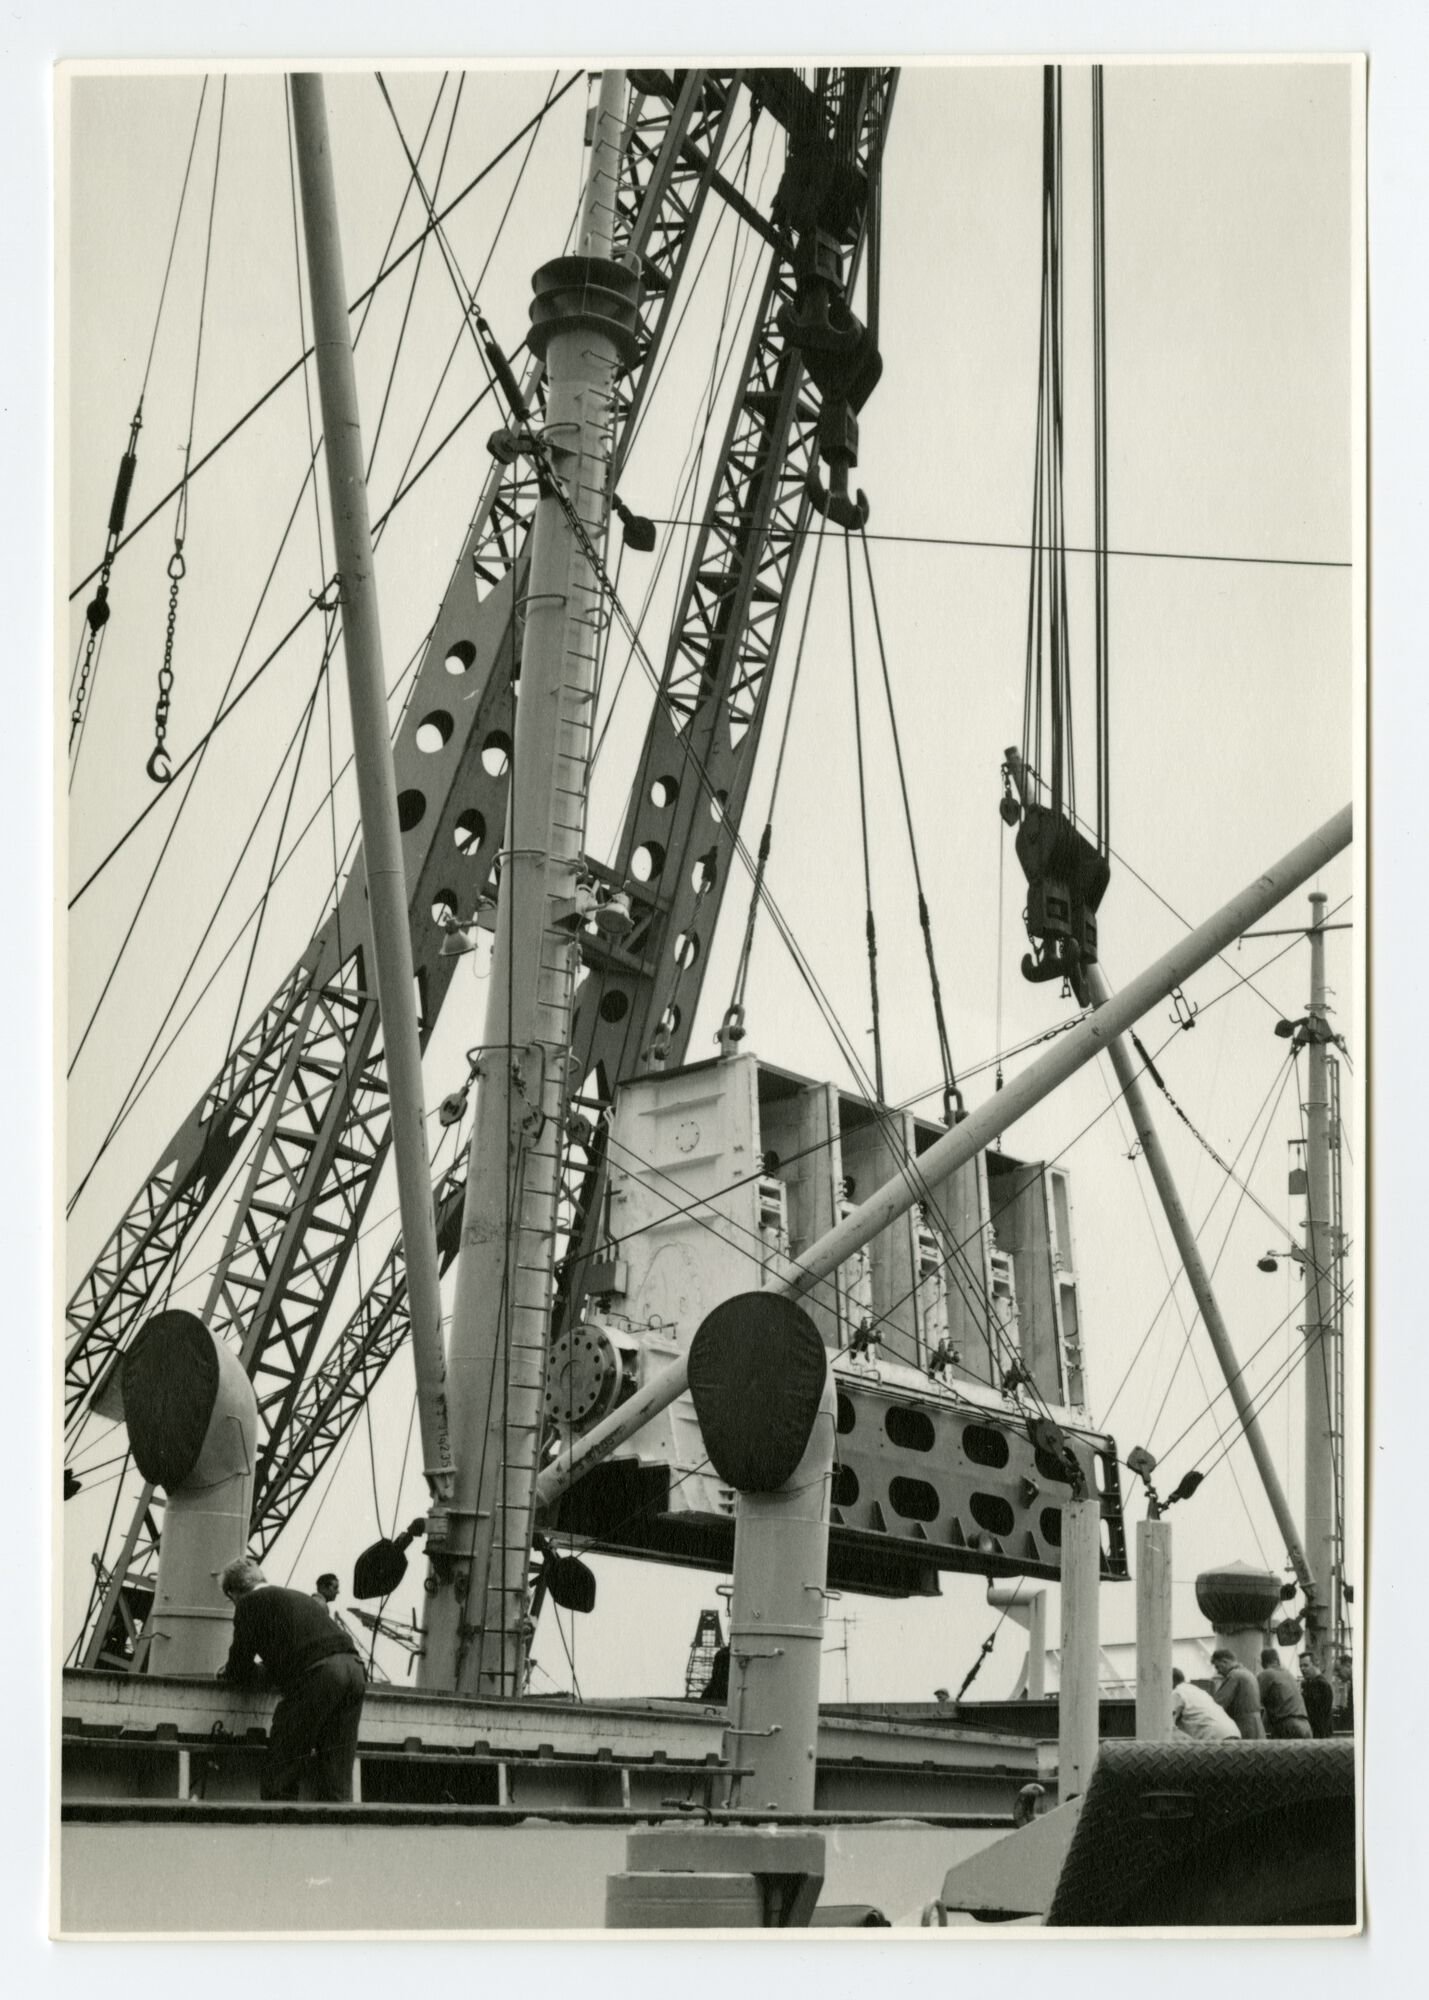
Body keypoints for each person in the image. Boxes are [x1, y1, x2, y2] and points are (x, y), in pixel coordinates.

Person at [219, 1557, 365, 1801]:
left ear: (233, 1592)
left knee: (284, 1760)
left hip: (320, 1674)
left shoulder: (249, 1603)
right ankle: (338, 1829)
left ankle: (279, 1828)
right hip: (354, 1670)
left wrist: (230, 1673)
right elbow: (295, 1651)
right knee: (337, 1770)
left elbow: (240, 1666)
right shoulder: (295, 1597)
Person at [1210, 1646, 1266, 1738]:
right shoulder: (1248, 1673)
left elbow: (1218, 1704)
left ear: (1225, 1662)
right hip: (1257, 1727)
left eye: (1218, 1667)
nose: (1218, 1672)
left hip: (1244, 1727)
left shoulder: (1234, 1676)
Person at [1171, 1667, 1240, 1742]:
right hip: (1232, 1732)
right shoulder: (1197, 1690)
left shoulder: (1177, 1692)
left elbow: (1167, 1724)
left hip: (1214, 1736)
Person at [1256, 1647, 1312, 1738]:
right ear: (1278, 1660)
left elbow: (1252, 1702)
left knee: (1274, 1751)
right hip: (1306, 1726)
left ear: (1262, 1663)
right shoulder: (1289, 1675)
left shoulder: (1266, 1674)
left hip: (1288, 1726)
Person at [1300, 1654, 1336, 1738]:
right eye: (1300, 1666)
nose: (1302, 1669)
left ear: (1315, 1664)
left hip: (1320, 1734)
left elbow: (1315, 1714)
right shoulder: (1311, 1683)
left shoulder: (1320, 1684)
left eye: (1306, 1665)